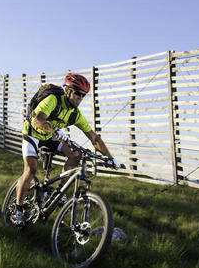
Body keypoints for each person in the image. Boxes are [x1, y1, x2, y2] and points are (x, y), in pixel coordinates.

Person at [11, 74, 120, 227]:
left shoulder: (75, 114)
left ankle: (59, 192)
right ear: (67, 91)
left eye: (83, 95)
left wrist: (110, 158)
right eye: (77, 93)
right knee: (31, 169)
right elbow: (38, 119)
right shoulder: (53, 100)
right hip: (33, 133)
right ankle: (18, 209)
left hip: (51, 136)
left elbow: (94, 138)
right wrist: (56, 132)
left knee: (77, 154)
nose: (80, 98)